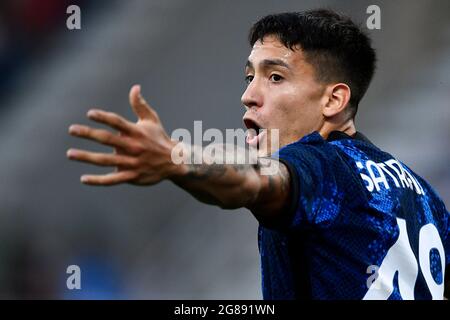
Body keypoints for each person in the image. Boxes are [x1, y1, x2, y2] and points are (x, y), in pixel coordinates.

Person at [67, 9, 449, 300]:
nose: (248, 95)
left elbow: (252, 181)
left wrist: (177, 158)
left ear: (334, 99)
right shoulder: (426, 198)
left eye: (275, 77)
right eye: (250, 76)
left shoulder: (323, 167)